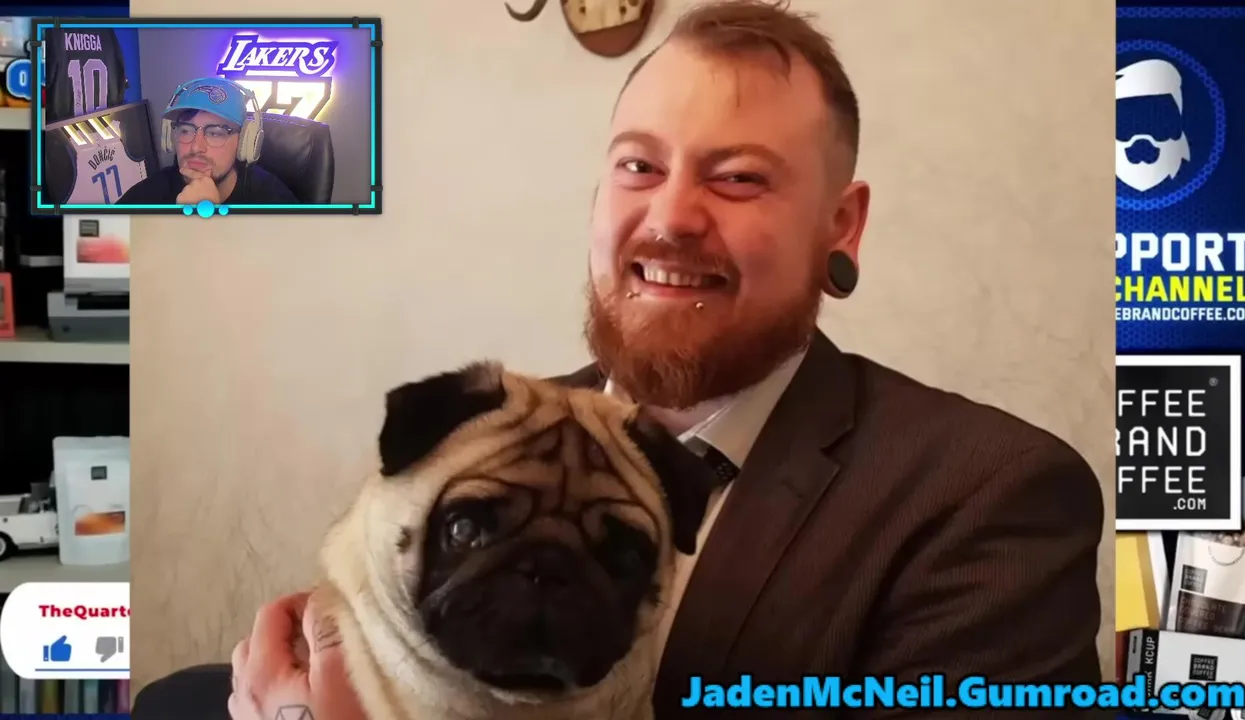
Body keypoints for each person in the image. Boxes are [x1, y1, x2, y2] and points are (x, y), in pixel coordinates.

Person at [133, 2, 1103, 718]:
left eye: (738, 178)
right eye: (639, 165)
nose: (671, 216)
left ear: (839, 226)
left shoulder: (983, 494)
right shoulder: (488, 437)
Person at [116, 77, 298, 205]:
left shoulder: (272, 200)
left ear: (244, 143)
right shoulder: (148, 195)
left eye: (215, 133)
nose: (196, 147)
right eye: (186, 131)